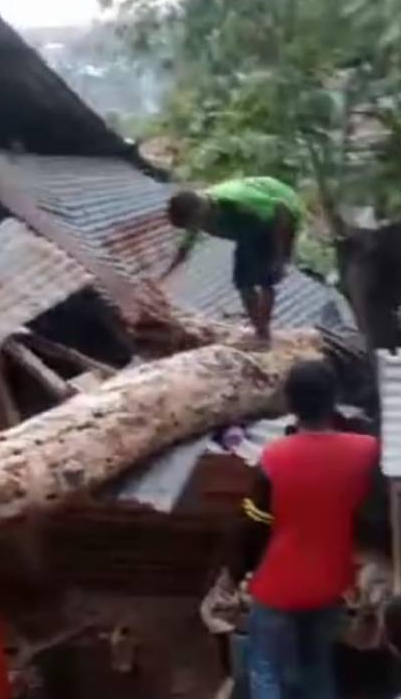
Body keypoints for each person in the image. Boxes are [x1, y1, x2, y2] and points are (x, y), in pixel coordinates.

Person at [230, 360, 378, 699]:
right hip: (330, 583)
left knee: (266, 669)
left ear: (290, 403)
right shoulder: (365, 451)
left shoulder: (275, 457)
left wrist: (239, 571)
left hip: (278, 587)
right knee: (317, 665)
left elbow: (253, 524)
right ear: (334, 399)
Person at [160, 177, 306, 344]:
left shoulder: (238, 202)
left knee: (267, 278)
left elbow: (281, 211)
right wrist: (163, 278)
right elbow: (184, 250)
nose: (200, 227)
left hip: (279, 217)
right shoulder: (197, 212)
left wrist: (280, 256)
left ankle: (263, 335)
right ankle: (259, 329)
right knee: (243, 283)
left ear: (201, 211)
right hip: (248, 231)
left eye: (199, 223)